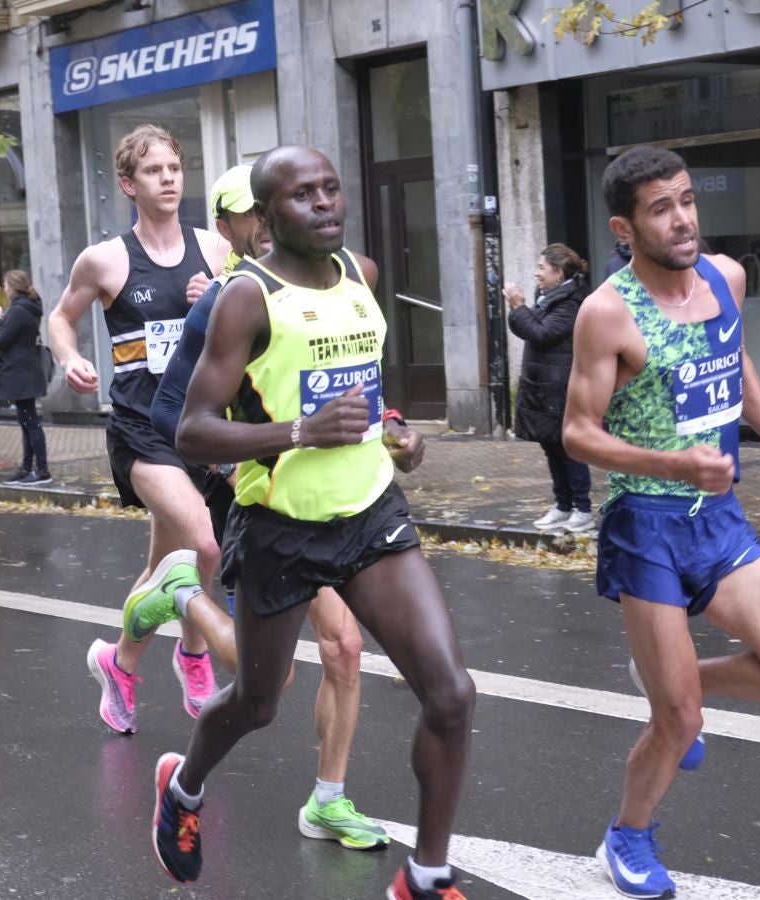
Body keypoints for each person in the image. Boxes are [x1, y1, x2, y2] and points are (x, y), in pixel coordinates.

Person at [152, 145, 475, 900]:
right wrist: (298, 432)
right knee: (258, 703)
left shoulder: (360, 275)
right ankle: (184, 788)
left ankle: (425, 878)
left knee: (451, 694)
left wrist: (397, 426)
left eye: (332, 188)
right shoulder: (245, 298)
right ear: (266, 217)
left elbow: (363, 386)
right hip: (282, 527)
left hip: (370, 513)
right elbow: (191, 430)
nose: (325, 204)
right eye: (303, 196)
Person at [563, 145, 760, 899]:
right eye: (661, 207)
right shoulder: (607, 312)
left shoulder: (727, 277)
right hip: (643, 522)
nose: (682, 219)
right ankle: (628, 835)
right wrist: (674, 463)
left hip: (718, 517)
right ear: (625, 226)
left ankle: (671, 682)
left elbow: (732, 357)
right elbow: (578, 432)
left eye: (686, 200)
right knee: (676, 721)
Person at [150, 163, 388, 852]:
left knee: (345, 647)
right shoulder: (229, 300)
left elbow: (354, 379)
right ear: (233, 227)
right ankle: (184, 597)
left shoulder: (340, 281)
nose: (259, 230)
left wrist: (385, 422)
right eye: (246, 218)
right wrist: (237, 460)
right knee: (270, 683)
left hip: (342, 503)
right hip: (268, 506)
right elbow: (174, 412)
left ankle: (329, 800)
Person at [48, 124, 236, 734]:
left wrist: (218, 298)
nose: (170, 180)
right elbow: (61, 316)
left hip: (199, 427)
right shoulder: (104, 260)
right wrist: (69, 358)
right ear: (129, 184)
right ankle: (195, 652)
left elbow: (249, 328)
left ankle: (119, 663)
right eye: (155, 172)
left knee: (165, 568)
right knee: (205, 544)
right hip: (140, 429)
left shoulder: (213, 250)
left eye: (176, 169)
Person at [504, 243, 595, 533]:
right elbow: (528, 329)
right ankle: (562, 505)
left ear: (559, 272)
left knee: (568, 448)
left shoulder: (572, 302)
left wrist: (519, 307)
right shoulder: (549, 295)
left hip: (560, 387)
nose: (536, 272)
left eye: (542, 267)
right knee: (551, 446)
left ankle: (582, 509)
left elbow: (540, 333)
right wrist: (518, 311)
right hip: (543, 385)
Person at [0, 270, 50, 486]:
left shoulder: (19, 310)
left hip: (21, 373)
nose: (4, 288)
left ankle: (41, 470)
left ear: (13, 286)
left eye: (5, 284)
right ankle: (27, 468)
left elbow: (2, 340)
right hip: (26, 371)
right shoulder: (27, 307)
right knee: (27, 421)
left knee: (30, 422)